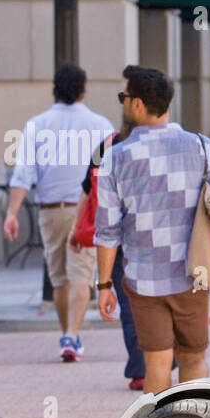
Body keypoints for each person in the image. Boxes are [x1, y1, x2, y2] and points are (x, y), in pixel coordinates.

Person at [94, 66, 210, 395]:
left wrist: (104, 284)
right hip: (194, 273)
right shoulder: (202, 147)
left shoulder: (116, 157)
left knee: (157, 366)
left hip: (144, 279)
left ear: (136, 104)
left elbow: (107, 231)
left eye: (124, 97)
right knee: (194, 358)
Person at [4, 62, 114, 361]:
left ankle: (67, 334)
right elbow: (107, 169)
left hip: (50, 208)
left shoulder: (37, 124)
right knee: (81, 272)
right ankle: (72, 335)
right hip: (87, 208)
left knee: (59, 277)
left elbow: (24, 171)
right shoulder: (101, 125)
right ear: (83, 89)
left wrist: (12, 212)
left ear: (55, 88)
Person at [73, 127, 145, 390]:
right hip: (154, 238)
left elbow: (86, 190)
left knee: (129, 305)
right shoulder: (160, 140)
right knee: (156, 300)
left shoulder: (106, 146)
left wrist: (76, 228)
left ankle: (141, 370)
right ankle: (161, 361)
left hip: (116, 239)